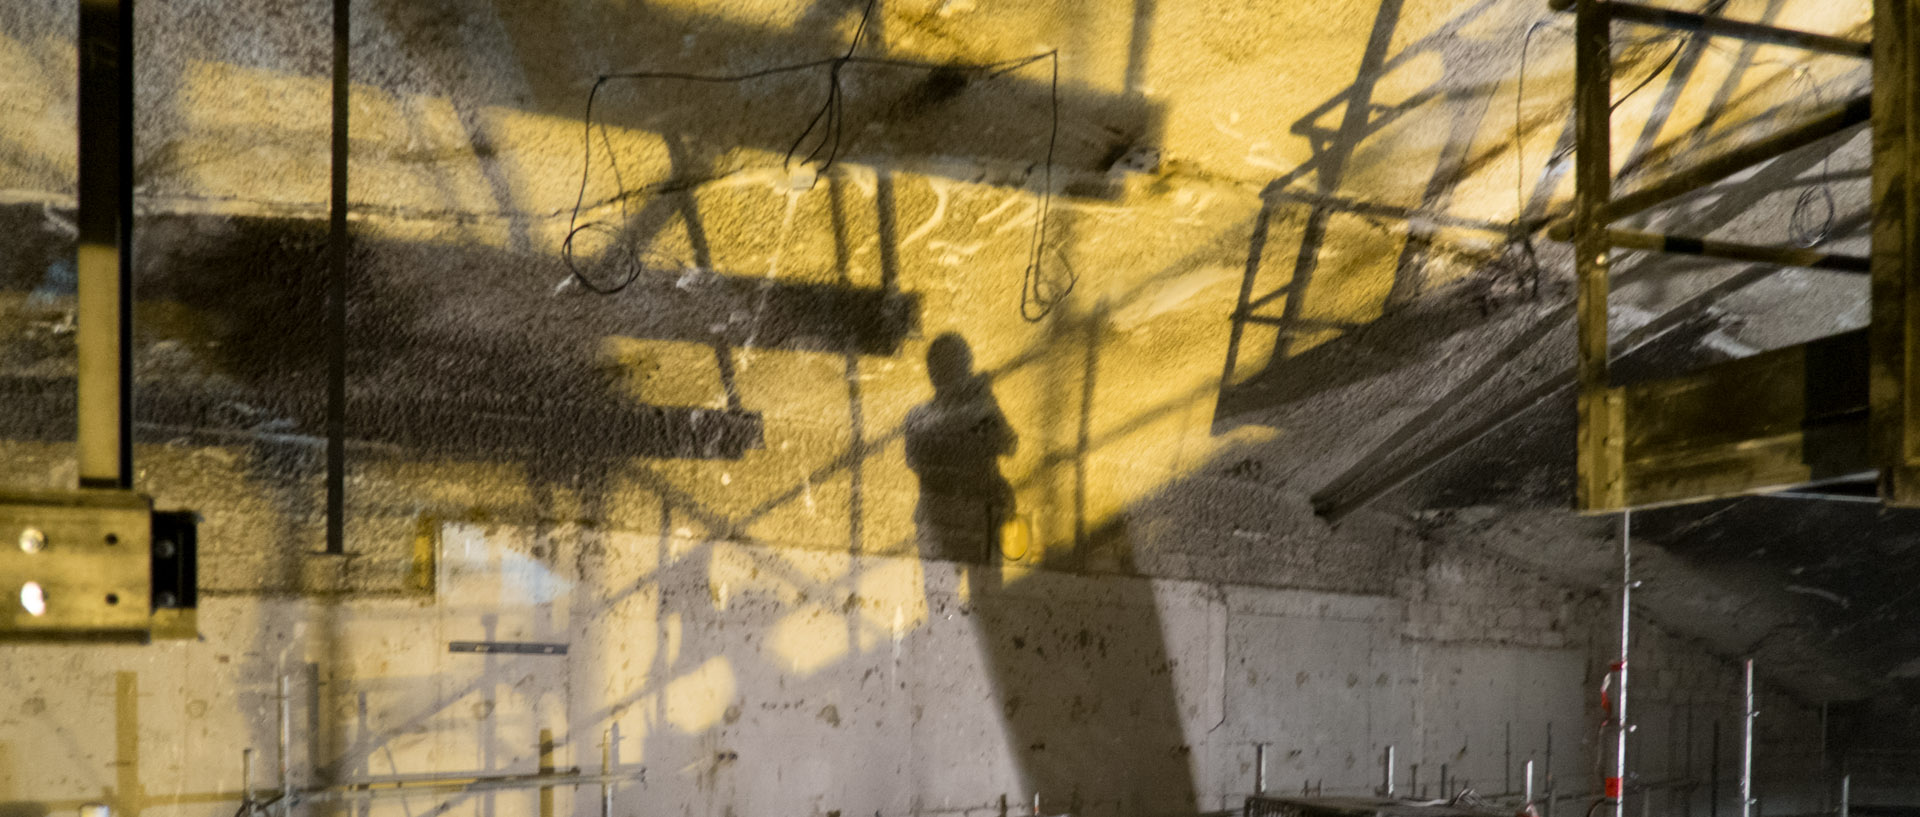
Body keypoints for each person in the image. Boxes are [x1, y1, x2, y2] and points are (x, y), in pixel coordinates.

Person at [903, 333, 1016, 565]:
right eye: (952, 366)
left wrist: (989, 404)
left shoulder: (981, 411)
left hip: (980, 520)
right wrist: (977, 407)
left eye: (962, 365)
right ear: (934, 372)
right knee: (940, 595)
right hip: (939, 523)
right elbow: (917, 456)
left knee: (986, 596)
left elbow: (1009, 445)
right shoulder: (920, 415)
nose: (962, 372)